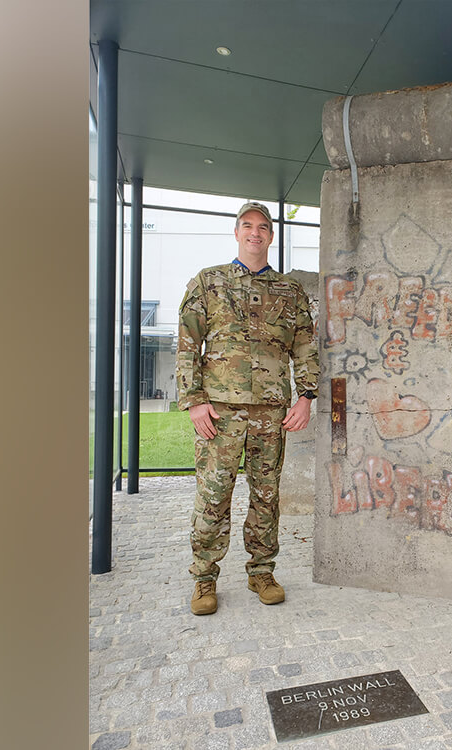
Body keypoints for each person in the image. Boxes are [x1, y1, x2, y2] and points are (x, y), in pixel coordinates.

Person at [176, 201, 319, 615]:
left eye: (263, 227)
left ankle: (261, 570)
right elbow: (187, 344)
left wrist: (306, 397)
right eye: (247, 226)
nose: (255, 233)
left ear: (271, 236)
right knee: (214, 493)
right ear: (236, 233)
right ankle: (204, 578)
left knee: (266, 495)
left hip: (270, 413)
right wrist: (194, 402)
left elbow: (305, 347)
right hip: (219, 413)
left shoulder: (290, 292)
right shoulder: (209, 282)